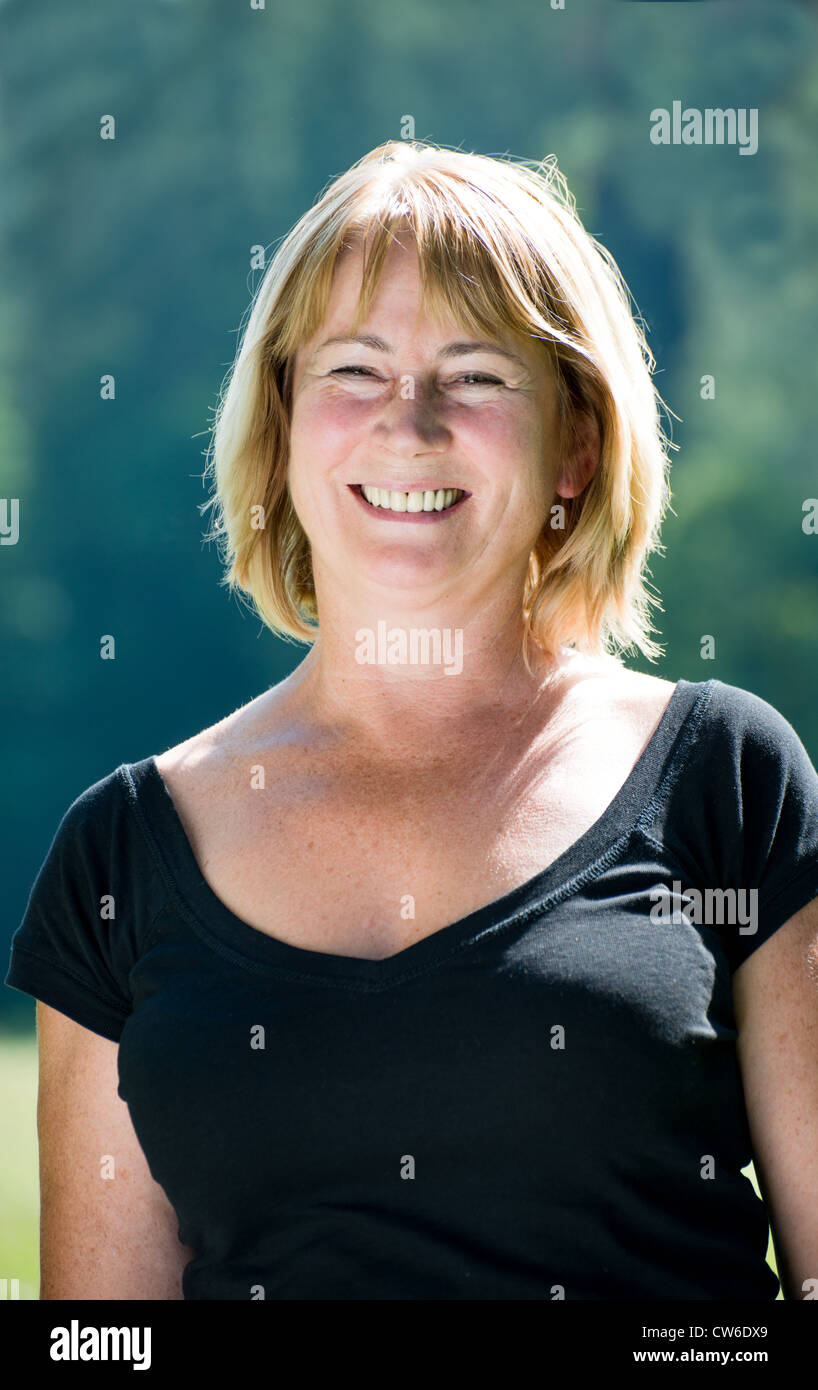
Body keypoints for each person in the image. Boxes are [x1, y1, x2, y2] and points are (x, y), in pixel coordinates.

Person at [6, 140, 818, 1301]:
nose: (410, 421)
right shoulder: (122, 853)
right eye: (354, 369)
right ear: (282, 426)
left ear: (576, 447)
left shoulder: (727, 779)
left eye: (477, 374)